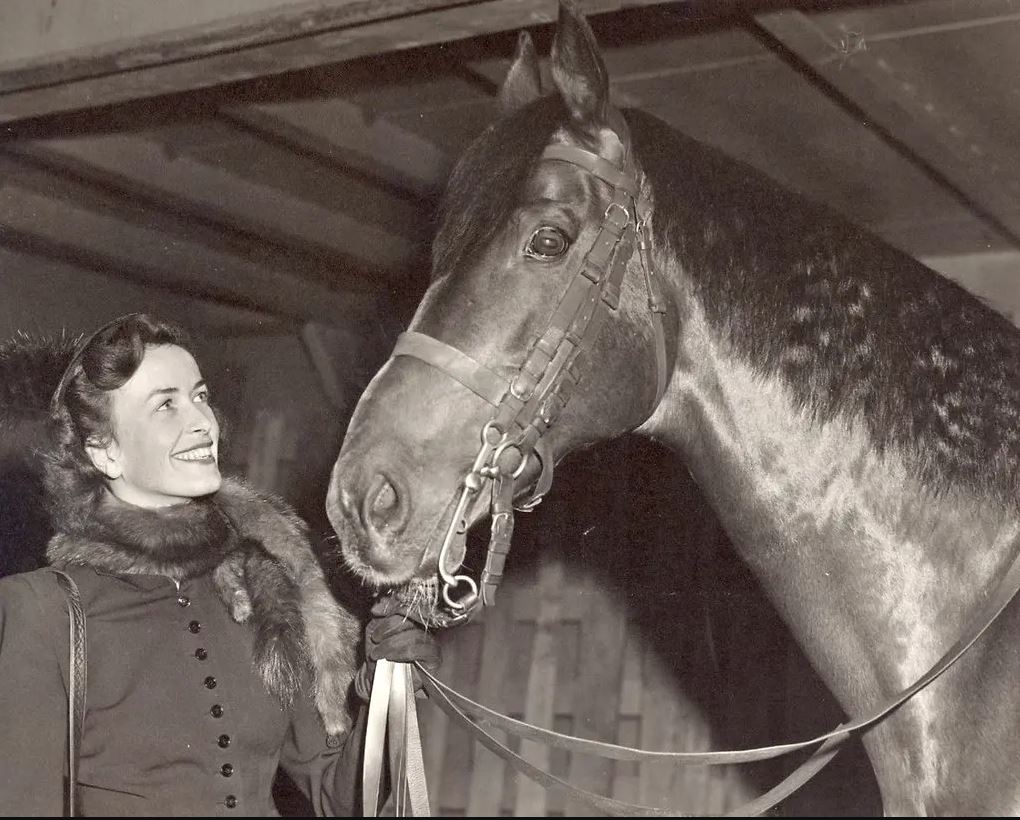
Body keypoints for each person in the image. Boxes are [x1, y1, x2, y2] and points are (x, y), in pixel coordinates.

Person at [0, 313, 439, 816]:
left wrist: (386, 686)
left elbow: (341, 798)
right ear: (106, 453)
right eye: (166, 404)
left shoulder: (260, 589)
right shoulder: (43, 609)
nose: (203, 423)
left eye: (201, 396)